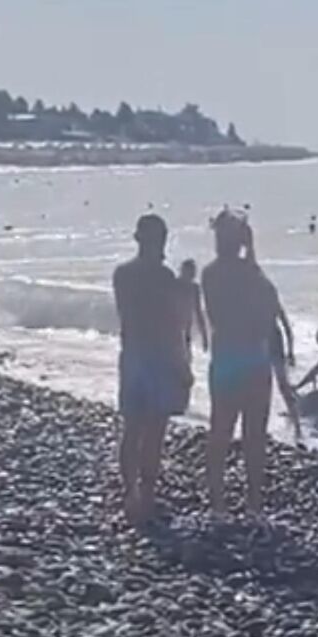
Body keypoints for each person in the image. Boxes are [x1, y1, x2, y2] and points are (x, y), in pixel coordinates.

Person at [113, 214, 192, 525]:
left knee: (132, 428)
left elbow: (130, 316)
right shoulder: (164, 277)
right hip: (158, 356)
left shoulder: (122, 274)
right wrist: (181, 365)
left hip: (132, 353)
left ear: (137, 239)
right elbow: (172, 323)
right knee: (155, 431)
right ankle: (146, 495)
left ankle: (130, 492)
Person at [201, 209, 279, 516]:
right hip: (250, 357)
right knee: (250, 433)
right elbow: (266, 305)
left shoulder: (212, 273)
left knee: (223, 428)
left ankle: (222, 501)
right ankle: (251, 502)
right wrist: (252, 251)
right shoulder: (249, 273)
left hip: (228, 356)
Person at [270, 301, 302, 440]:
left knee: (283, 386)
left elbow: (287, 328)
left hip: (270, 342)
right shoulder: (268, 295)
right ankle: (296, 426)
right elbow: (287, 328)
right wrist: (290, 351)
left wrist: (290, 351)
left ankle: (297, 427)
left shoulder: (260, 296)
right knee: (283, 385)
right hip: (269, 341)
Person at [176, 258, 208, 357]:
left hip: (186, 330)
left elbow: (198, 313)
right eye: (189, 272)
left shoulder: (194, 289)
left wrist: (204, 336)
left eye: (192, 272)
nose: (191, 275)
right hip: (172, 329)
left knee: (186, 358)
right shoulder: (174, 285)